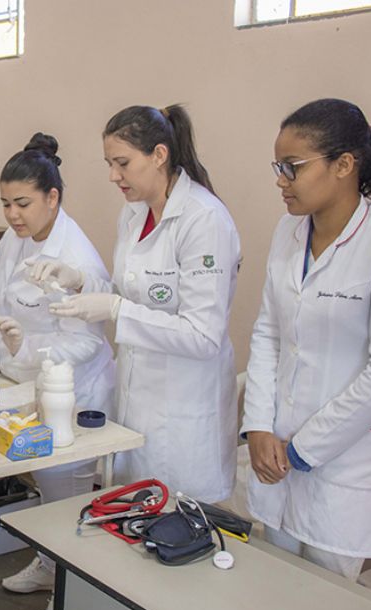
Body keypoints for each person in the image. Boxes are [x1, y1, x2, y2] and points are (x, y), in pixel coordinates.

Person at [242, 100, 371, 582]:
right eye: (278, 167)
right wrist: (259, 427)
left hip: (343, 467)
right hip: (276, 455)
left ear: (344, 165)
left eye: (293, 167)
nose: (281, 180)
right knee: (273, 599)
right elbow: (268, 332)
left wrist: (305, 448)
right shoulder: (289, 232)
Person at [33, 105, 241, 502]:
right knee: (131, 516)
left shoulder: (203, 220)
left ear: (159, 155)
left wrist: (116, 311)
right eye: (110, 164)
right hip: (138, 400)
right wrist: (78, 280)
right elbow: (132, 292)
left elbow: (202, 335)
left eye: (123, 163)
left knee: (176, 528)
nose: (114, 176)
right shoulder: (133, 215)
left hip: (185, 411)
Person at [0, 132, 115, 610]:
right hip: (28, 378)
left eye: (23, 203)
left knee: (69, 495)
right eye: (6, 203)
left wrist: (27, 348)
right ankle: (48, 562)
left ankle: (69, 598)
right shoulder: (12, 238)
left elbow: (82, 342)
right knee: (45, 486)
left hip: (76, 388)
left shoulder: (77, 256)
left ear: (53, 198)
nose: (13, 214)